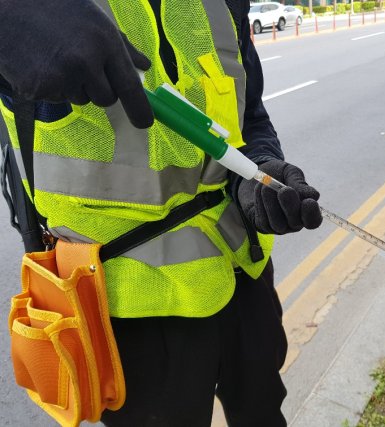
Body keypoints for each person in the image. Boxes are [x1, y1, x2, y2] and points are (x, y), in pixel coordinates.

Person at [0, 0, 323, 426]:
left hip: (244, 282)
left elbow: (250, 117)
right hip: (125, 316)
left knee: (263, 412)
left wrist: (257, 170)